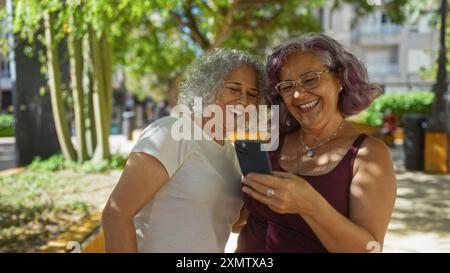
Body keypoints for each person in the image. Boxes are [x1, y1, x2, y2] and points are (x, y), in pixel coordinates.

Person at [236, 33, 397, 253]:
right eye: (286, 86)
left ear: (339, 79)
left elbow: (370, 249)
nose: (299, 94)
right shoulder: (273, 140)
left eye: (310, 79)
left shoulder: (368, 155)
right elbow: (242, 221)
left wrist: (311, 206)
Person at [102, 48, 265, 252]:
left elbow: (224, 222)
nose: (244, 101)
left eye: (252, 94)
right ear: (209, 88)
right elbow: (116, 215)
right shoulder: (172, 132)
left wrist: (261, 189)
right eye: (234, 89)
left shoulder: (233, 157)